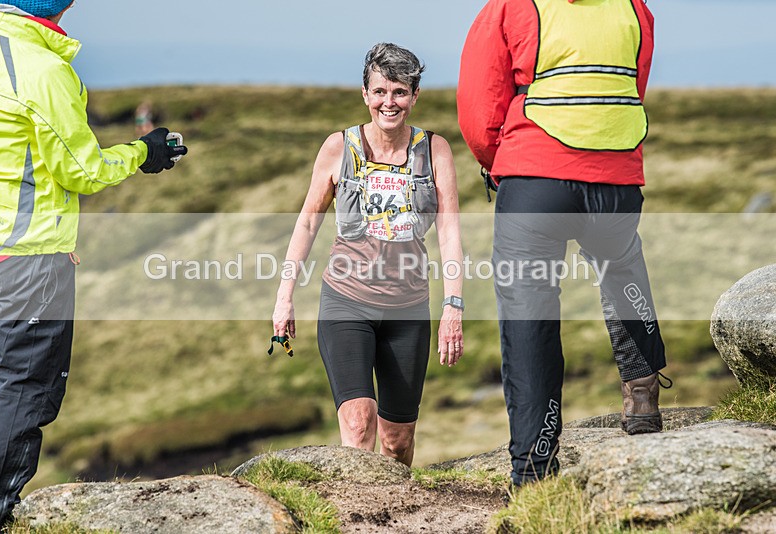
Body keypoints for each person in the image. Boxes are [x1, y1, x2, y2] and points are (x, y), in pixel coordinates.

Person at [0, 1, 187, 531]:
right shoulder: (45, 70)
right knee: (22, 387)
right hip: (27, 255)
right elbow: (81, 169)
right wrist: (143, 152)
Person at [457, 0, 668, 486]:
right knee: (622, 266)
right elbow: (629, 90)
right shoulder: (635, 8)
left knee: (529, 315)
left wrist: (500, 159)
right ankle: (641, 400)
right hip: (616, 180)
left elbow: (478, 102)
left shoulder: (511, 6)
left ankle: (534, 468)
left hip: (535, 180)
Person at [272, 43, 464, 467]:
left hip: (408, 308)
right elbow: (307, 223)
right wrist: (284, 297)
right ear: (365, 93)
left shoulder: (435, 151)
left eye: (399, 92)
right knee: (359, 424)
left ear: (415, 95)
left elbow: (450, 229)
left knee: (397, 442)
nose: (388, 102)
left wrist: (453, 306)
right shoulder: (338, 148)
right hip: (346, 302)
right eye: (379, 92)